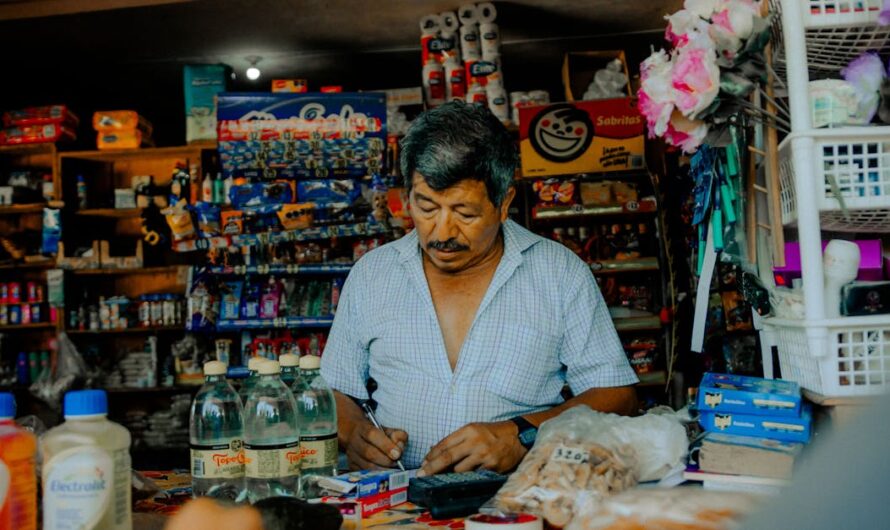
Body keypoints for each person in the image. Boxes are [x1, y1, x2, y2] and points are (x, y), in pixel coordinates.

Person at [320, 101, 638, 476]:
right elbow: (332, 390)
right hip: (393, 506)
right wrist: (356, 432)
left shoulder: (559, 273)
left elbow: (618, 395)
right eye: (425, 208)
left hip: (514, 502)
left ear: (503, 204)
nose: (441, 233)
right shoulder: (373, 275)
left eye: (465, 213)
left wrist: (522, 435)